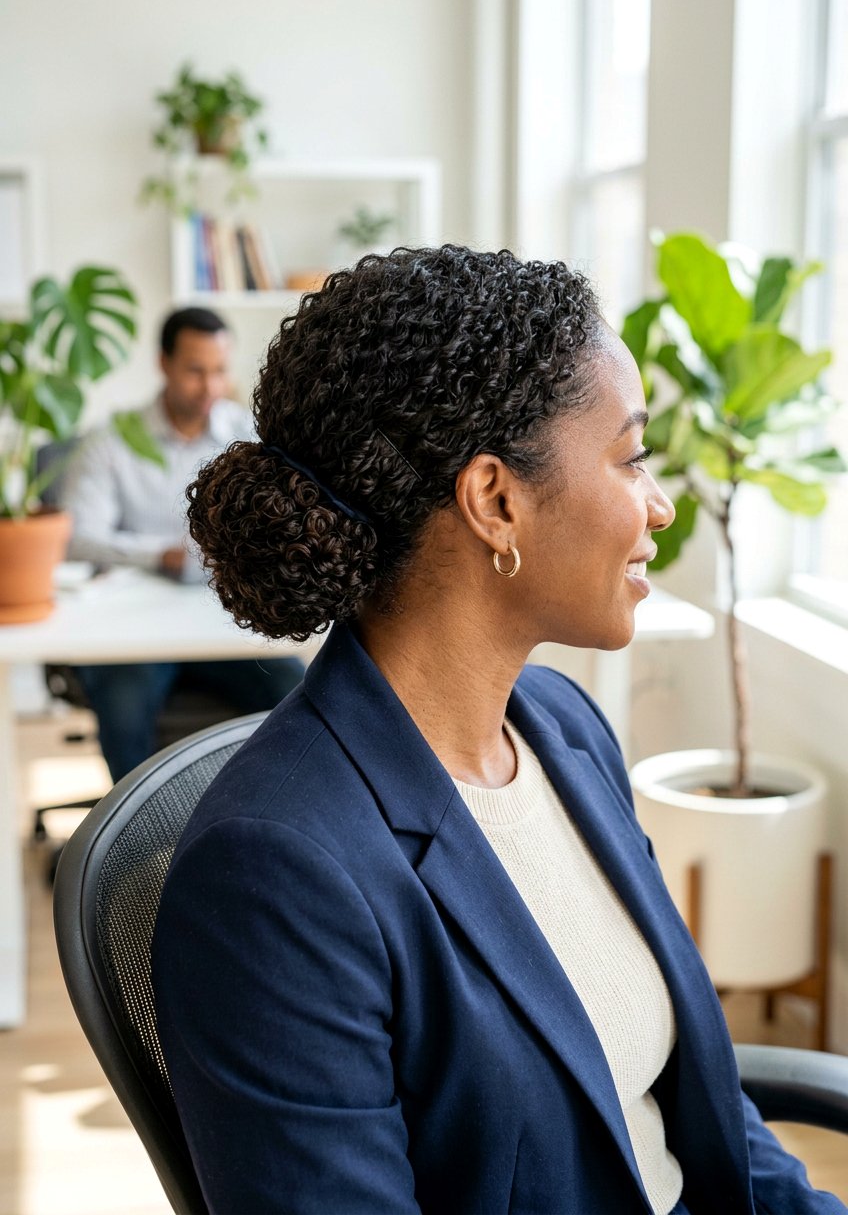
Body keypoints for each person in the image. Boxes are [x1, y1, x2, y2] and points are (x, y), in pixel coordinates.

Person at [152, 248, 845, 1214]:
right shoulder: (275, 876)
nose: (661, 504)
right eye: (631, 456)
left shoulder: (564, 730)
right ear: (495, 500)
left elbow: (701, 1104)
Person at [61, 306, 303, 782]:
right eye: (195, 371)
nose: (210, 386)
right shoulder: (114, 438)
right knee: (125, 708)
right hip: (136, 629)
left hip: (225, 621)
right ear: (163, 364)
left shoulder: (248, 435)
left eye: (218, 371)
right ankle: (136, 848)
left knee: (297, 689)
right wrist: (162, 555)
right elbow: (78, 538)